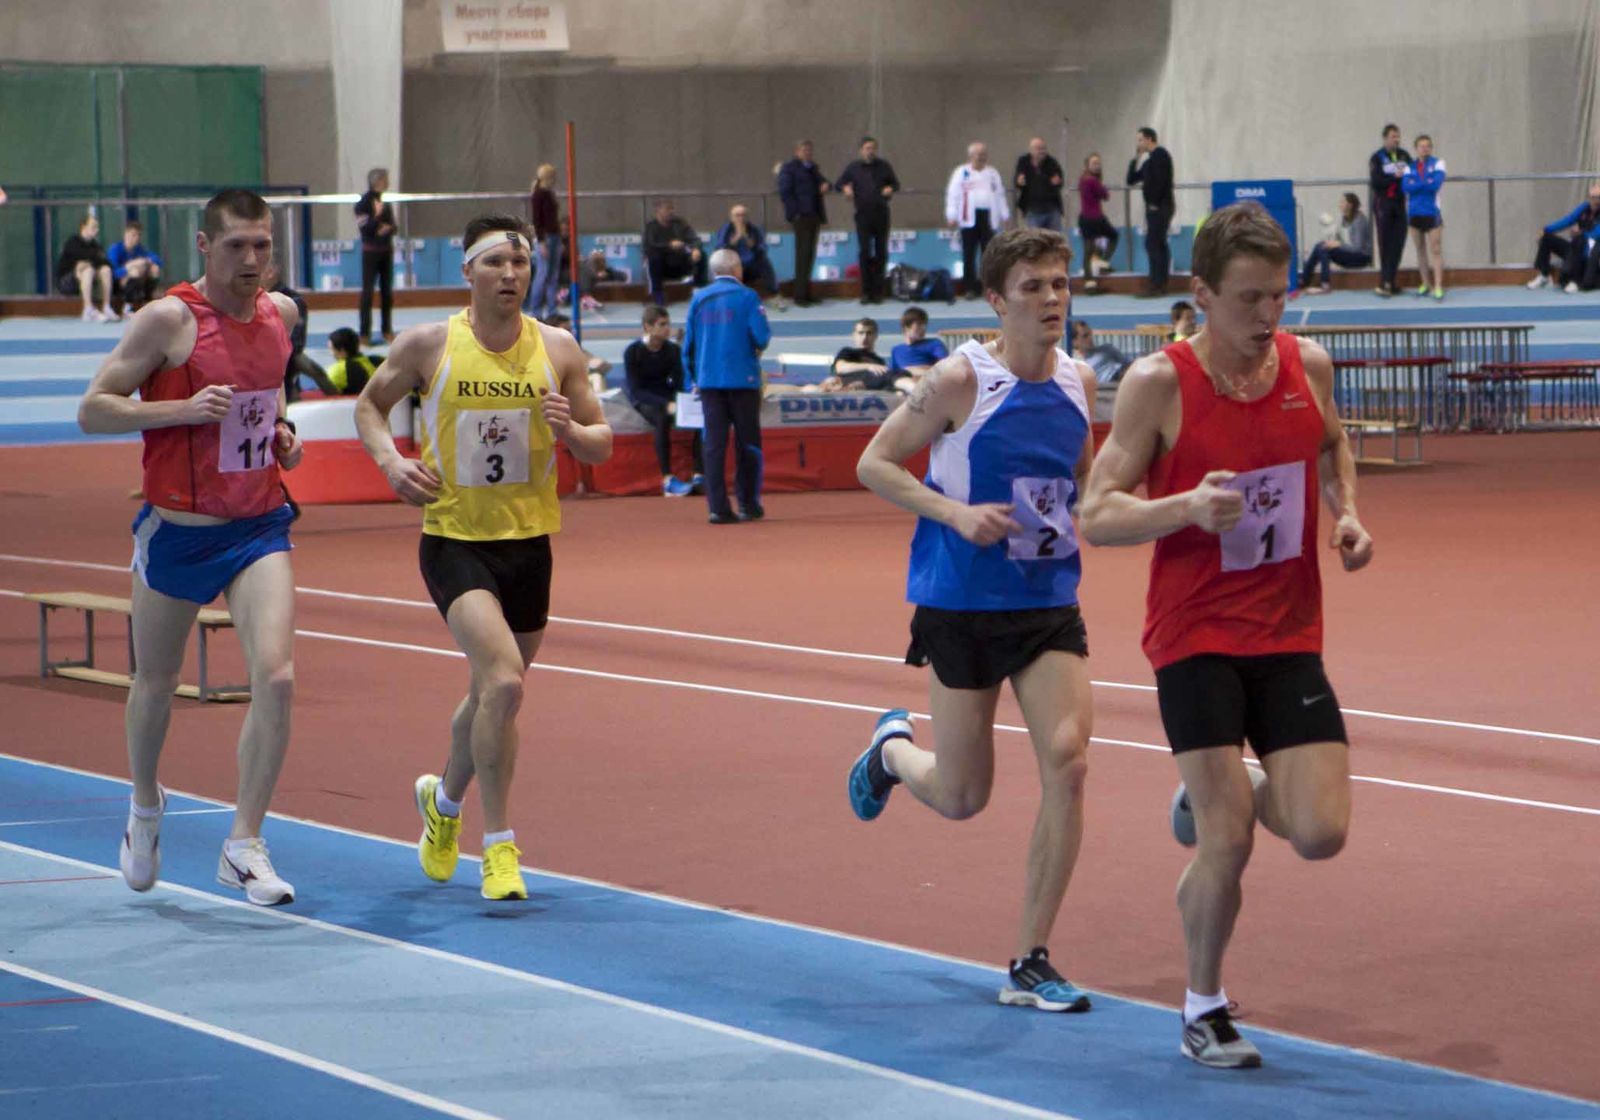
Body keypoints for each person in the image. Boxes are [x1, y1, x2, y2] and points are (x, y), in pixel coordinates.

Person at [1079, 201, 1373, 1069]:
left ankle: (1231, 784)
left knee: (1321, 832)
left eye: (1279, 296)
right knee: (1230, 837)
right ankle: (1203, 1008)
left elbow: (1333, 445)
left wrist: (1348, 514)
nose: (1267, 314)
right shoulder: (1158, 384)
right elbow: (1097, 513)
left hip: (1288, 629)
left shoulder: (1307, 365)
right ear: (1201, 294)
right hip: (1195, 633)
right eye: (1248, 298)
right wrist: (1184, 508)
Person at [848, 226, 1098, 1017]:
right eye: (1034, 287)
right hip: (961, 602)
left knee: (1069, 762)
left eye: (1060, 284)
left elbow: (1081, 476)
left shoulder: (1081, 380)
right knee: (962, 796)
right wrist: (956, 514)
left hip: (1047, 602)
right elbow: (873, 462)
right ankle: (892, 755)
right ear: (996, 300)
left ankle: (1030, 959)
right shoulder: (960, 379)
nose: (1052, 299)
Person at [354, 214, 612, 902]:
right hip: (454, 539)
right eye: (496, 262)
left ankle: (441, 804)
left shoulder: (557, 347)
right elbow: (370, 407)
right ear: (467, 271)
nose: (510, 274)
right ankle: (499, 849)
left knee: (490, 695)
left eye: (520, 263)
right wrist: (390, 463)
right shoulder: (429, 344)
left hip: (528, 544)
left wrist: (572, 430)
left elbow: (602, 443)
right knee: (503, 682)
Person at [76, 188, 307, 907]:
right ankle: (145, 805)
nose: (251, 259)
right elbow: (93, 409)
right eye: (236, 246)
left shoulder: (281, 315)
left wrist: (283, 436)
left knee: (276, 677)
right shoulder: (169, 320)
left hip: (258, 525)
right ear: (205, 246)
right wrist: (180, 408)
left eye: (262, 245)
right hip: (178, 532)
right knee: (155, 681)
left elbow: (266, 400)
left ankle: (244, 843)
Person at [682, 248, 771, 523]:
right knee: (748, 445)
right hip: (743, 381)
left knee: (713, 445)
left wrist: (693, 379)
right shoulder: (748, 297)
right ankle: (748, 503)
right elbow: (762, 337)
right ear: (737, 269)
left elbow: (688, 345)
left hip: (709, 382)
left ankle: (717, 507)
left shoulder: (699, 298)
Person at [624, 305, 700, 496]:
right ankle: (667, 478)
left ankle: (699, 474)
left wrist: (685, 400)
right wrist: (666, 404)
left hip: (667, 397)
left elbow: (679, 383)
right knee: (662, 418)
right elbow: (636, 390)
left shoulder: (672, 350)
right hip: (644, 399)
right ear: (648, 327)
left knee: (699, 417)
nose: (667, 329)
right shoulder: (633, 352)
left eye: (668, 324)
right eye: (662, 324)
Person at [836, 137, 900, 304]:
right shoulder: (853, 167)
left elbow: (896, 184)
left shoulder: (884, 166)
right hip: (863, 215)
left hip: (881, 214)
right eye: (867, 148)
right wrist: (845, 188)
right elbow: (838, 184)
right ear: (861, 150)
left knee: (881, 252)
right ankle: (865, 291)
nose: (870, 151)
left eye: (872, 148)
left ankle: (878, 292)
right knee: (864, 252)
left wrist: (890, 188)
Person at [946, 142, 1011, 298]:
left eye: (983, 154)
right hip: (968, 218)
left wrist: (1005, 215)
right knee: (968, 254)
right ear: (970, 156)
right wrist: (951, 215)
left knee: (988, 255)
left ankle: (987, 288)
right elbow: (953, 195)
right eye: (978, 154)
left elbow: (1000, 195)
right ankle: (969, 288)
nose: (981, 157)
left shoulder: (993, 173)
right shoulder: (961, 173)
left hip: (988, 217)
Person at [264, 262, 335, 400]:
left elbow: (297, 339)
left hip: (288, 352)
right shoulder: (253, 298)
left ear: (270, 272)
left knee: (314, 371)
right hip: (269, 352)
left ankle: (337, 396)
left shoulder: (293, 300)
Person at [777, 139, 831, 306]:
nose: (807, 153)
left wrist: (826, 185)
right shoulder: (789, 168)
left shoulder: (813, 168)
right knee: (802, 255)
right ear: (797, 152)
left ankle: (807, 292)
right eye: (804, 150)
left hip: (814, 215)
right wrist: (795, 213)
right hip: (801, 216)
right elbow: (785, 192)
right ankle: (799, 295)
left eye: (809, 150)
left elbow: (826, 182)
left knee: (810, 255)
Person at [1127, 127, 1176, 296]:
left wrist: (1155, 202)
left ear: (1149, 139)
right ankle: (1158, 282)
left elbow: (1162, 181)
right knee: (1155, 243)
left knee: (1155, 243)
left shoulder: (1161, 155)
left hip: (1161, 206)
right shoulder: (1148, 162)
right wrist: (1136, 158)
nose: (1139, 143)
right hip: (1153, 207)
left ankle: (1157, 283)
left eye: (1140, 140)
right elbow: (1131, 179)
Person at [1528, 183, 1600, 293]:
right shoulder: (1584, 207)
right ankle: (1545, 275)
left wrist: (1580, 233)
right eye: (1591, 197)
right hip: (1574, 250)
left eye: (1597, 197)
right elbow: (1567, 220)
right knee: (1546, 238)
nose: (1593, 200)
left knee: (1579, 239)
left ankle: (1575, 281)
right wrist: (1546, 229)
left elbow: (1596, 234)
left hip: (1589, 256)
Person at [1297, 193, 1372, 295]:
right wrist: (1332, 242)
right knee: (1321, 246)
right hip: (1350, 253)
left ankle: (1316, 283)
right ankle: (1308, 281)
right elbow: (1343, 240)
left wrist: (1338, 245)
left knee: (1323, 249)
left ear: (1350, 205)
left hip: (1361, 258)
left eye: (1342, 202)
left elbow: (1357, 248)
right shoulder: (1346, 219)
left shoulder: (1359, 221)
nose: (1339, 204)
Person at [1368, 125, 1412, 298]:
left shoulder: (1404, 155)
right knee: (1385, 244)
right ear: (1385, 138)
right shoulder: (1377, 157)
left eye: (1398, 136)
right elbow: (1376, 182)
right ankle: (1384, 281)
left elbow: (1412, 174)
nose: (1396, 139)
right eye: (1393, 136)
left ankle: (1391, 281)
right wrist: (1395, 177)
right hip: (1383, 204)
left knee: (1398, 242)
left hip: (1400, 204)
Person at [355, 167, 397, 344]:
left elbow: (394, 227)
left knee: (387, 292)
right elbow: (365, 228)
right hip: (370, 253)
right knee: (368, 293)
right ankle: (364, 333)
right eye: (385, 179)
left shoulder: (384, 202)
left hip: (386, 251)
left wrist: (387, 228)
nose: (388, 182)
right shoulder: (362, 203)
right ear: (378, 181)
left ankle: (387, 330)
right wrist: (377, 217)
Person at [1402, 135, 1447, 300]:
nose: (1425, 149)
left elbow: (1435, 184)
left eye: (1428, 146)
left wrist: (1416, 183)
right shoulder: (1409, 167)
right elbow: (1405, 187)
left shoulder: (1438, 163)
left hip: (1432, 212)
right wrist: (1425, 181)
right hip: (1414, 213)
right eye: (1421, 146)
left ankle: (1438, 286)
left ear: (1431, 148)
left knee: (1436, 249)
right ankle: (1425, 283)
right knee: (1420, 250)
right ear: (1416, 149)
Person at [643, 199, 708, 306]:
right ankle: (658, 294)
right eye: (668, 208)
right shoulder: (651, 227)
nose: (671, 211)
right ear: (658, 210)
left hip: (680, 263)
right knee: (653, 257)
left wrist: (696, 249)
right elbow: (650, 246)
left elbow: (695, 239)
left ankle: (699, 291)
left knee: (702, 255)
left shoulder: (680, 223)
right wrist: (669, 245)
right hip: (662, 267)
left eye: (672, 208)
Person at [714, 203, 781, 302]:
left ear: (747, 217)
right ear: (731, 218)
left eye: (743, 215)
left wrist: (750, 242)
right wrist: (735, 239)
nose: (741, 218)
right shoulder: (726, 229)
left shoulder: (754, 229)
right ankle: (718, 294)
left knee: (765, 261)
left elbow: (763, 249)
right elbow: (719, 249)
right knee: (717, 262)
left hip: (751, 265)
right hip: (732, 265)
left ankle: (773, 294)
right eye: (737, 215)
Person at [56, 213, 116, 322]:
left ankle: (106, 307)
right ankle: (88, 309)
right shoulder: (72, 242)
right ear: (83, 227)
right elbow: (83, 258)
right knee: (87, 270)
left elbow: (106, 263)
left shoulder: (95, 245)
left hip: (89, 282)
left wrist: (89, 262)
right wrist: (88, 263)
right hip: (67, 283)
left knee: (105, 270)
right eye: (93, 226)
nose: (96, 230)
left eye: (97, 227)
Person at [527, 164, 563, 318]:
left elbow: (553, 218)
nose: (555, 180)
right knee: (542, 274)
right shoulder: (538, 195)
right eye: (553, 177)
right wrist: (541, 242)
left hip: (554, 236)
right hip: (545, 237)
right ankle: (535, 311)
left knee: (553, 275)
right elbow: (537, 220)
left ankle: (552, 310)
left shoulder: (550, 193)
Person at [1076, 153, 1118, 289]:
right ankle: (1103, 261)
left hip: (1084, 218)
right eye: (1094, 163)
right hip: (1096, 218)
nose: (1097, 166)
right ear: (1087, 165)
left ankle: (1089, 281)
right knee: (1114, 236)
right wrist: (1102, 187)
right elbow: (1105, 195)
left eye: (1098, 163)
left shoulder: (1082, 179)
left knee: (1088, 250)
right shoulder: (1093, 181)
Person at [820, 317, 894, 392]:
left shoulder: (879, 362)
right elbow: (840, 368)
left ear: (875, 336)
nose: (864, 337)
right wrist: (869, 366)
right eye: (860, 333)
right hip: (840, 389)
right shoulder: (848, 352)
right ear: (854, 335)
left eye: (869, 333)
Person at [107, 220, 163, 313]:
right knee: (134, 271)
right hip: (117, 284)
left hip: (136, 282)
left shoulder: (139, 249)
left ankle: (147, 300)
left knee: (154, 268)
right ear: (126, 234)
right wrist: (129, 266)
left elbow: (158, 260)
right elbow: (113, 273)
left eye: (139, 235)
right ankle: (128, 306)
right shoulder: (115, 249)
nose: (136, 238)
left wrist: (145, 261)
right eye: (133, 235)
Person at [1015, 137, 1066, 232]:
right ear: (1031, 150)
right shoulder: (1023, 162)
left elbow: (1060, 182)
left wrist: (1058, 182)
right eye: (1038, 149)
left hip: (1052, 209)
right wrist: (1019, 181)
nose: (1042, 151)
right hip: (1032, 210)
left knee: (1054, 238)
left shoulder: (1052, 162)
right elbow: (1018, 182)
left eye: (1044, 148)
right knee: (1035, 238)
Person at [888, 305, 949, 380]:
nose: (924, 328)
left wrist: (916, 369)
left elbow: (946, 366)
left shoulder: (934, 344)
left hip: (927, 381)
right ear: (907, 327)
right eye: (919, 324)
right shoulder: (896, 350)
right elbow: (892, 374)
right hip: (904, 382)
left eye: (925, 325)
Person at [1070, 319, 1132, 384]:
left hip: (1123, 374)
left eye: (1090, 334)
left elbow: (1128, 363)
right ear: (1074, 342)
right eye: (1085, 336)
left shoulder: (1107, 348)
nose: (1090, 338)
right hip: (1110, 383)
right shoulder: (1078, 364)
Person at [326, 327, 377, 395]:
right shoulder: (378, 361)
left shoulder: (337, 370)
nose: (331, 353)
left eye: (331, 349)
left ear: (342, 351)